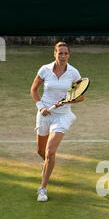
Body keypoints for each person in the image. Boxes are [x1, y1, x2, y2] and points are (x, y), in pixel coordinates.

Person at [30, 42, 84, 202]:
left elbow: (81, 97)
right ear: (54, 54)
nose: (63, 56)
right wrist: (41, 107)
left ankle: (42, 188)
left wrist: (67, 101)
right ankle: (47, 164)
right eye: (60, 53)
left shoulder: (74, 73)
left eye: (65, 53)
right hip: (44, 114)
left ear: (69, 55)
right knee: (41, 151)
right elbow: (34, 90)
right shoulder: (44, 69)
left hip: (62, 116)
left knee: (50, 151)